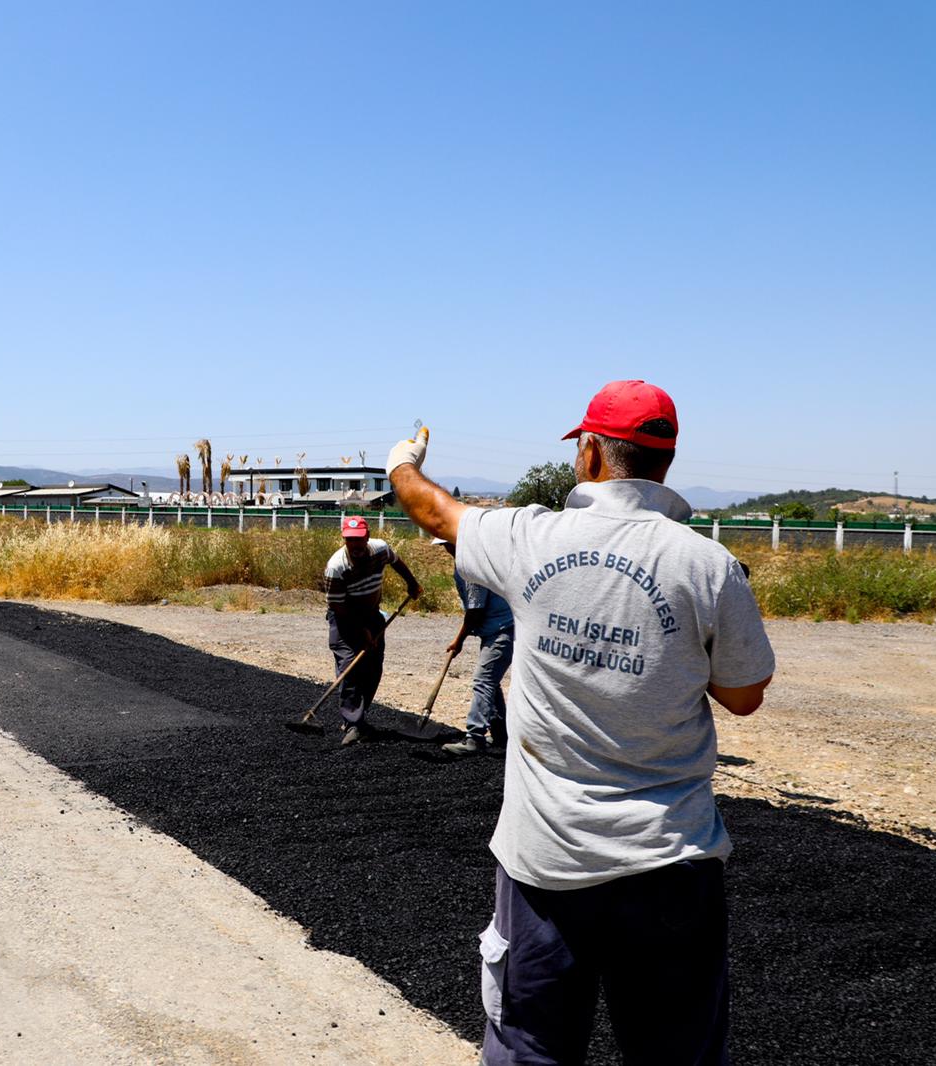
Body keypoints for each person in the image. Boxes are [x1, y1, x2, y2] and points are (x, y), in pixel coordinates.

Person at [386, 381, 775, 1065]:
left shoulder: (532, 537)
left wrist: (402, 460)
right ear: (667, 460)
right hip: (670, 866)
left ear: (591, 452)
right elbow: (744, 696)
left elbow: (435, 512)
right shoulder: (709, 566)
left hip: (547, 868)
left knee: (532, 1048)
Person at [323, 516, 422, 746]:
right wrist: (362, 631)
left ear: (367, 537)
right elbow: (338, 607)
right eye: (350, 540)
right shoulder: (336, 567)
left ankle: (358, 714)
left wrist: (412, 583)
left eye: (359, 540)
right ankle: (354, 724)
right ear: (344, 539)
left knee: (374, 666)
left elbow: (396, 561)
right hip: (344, 619)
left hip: (372, 615)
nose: (355, 545)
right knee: (350, 667)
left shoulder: (380, 550)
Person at [432, 537, 514, 756]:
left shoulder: (471, 569)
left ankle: (475, 738)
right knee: (491, 681)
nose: (446, 549)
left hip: (502, 630)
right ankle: (501, 736)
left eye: (448, 545)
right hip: (496, 629)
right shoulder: (471, 563)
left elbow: (475, 612)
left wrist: (459, 640)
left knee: (483, 680)